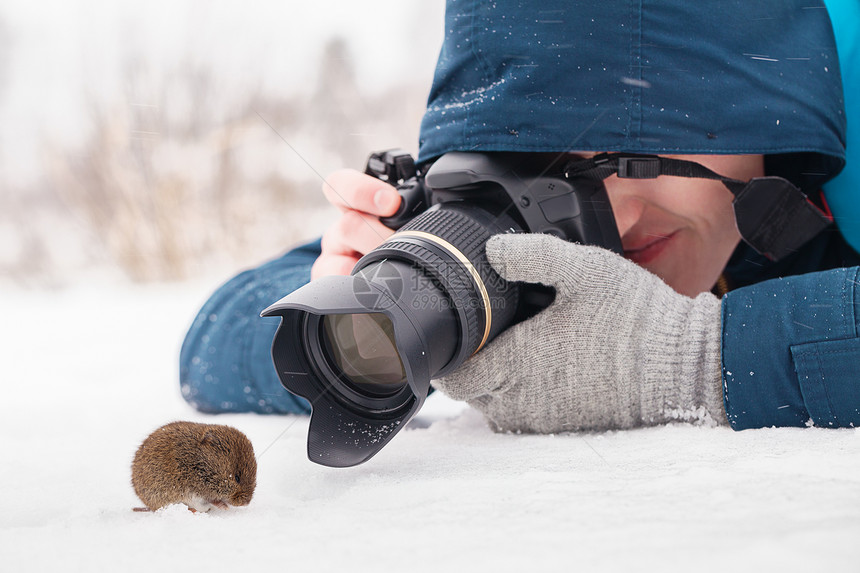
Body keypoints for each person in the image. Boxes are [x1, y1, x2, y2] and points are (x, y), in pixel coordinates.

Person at [180, 0, 860, 431]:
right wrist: (364, 302)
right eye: (555, 162)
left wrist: (695, 358)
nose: (615, 216)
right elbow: (215, 334)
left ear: (769, 108)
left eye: (649, 145)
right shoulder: (531, 217)